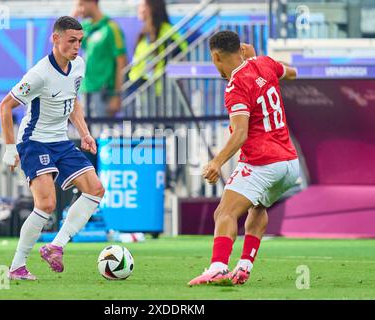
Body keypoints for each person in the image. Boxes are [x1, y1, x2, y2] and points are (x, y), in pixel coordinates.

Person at [188, 30, 299, 286]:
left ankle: (217, 268)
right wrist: (256, 60)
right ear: (241, 49)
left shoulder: (236, 85)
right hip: (289, 164)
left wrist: (217, 162)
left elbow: (240, 133)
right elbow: (292, 73)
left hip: (263, 161)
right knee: (258, 206)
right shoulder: (265, 63)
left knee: (224, 213)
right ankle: (244, 267)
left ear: (216, 57)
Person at [0, 16, 105, 281]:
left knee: (95, 190)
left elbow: (73, 99)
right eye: (71, 40)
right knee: (46, 204)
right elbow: (5, 106)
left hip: (61, 140)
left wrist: (84, 133)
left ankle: (56, 246)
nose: (76, 46)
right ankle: (16, 267)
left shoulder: (78, 65)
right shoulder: (39, 74)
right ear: (55, 39)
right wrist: (11, 149)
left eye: (80, 41)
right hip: (34, 141)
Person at [71, 0, 127, 117]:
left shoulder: (111, 28)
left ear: (92, 2)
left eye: (80, 4)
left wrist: (116, 95)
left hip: (104, 93)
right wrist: (71, 18)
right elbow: (59, 41)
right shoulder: (86, 27)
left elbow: (121, 62)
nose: (78, 9)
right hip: (85, 91)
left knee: (99, 133)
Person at [128, 0, 188, 95]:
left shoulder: (167, 33)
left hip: (162, 95)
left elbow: (180, 59)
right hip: (142, 92)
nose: (139, 9)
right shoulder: (144, 34)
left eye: (143, 5)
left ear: (153, 7)